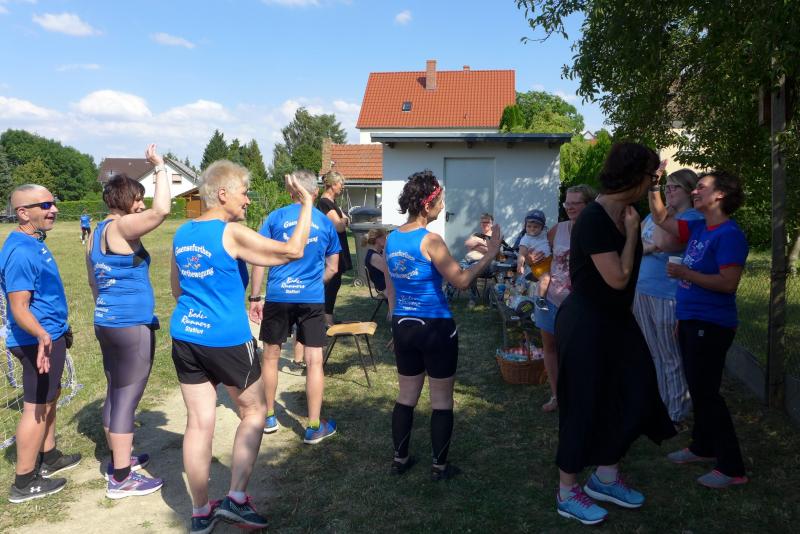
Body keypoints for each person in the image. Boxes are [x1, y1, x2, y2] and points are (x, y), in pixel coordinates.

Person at [170, 161, 313, 532]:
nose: (247, 200)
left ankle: (200, 512)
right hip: (226, 339)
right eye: (244, 192)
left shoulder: (182, 233)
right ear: (223, 194)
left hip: (186, 335)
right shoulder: (230, 232)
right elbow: (294, 250)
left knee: (198, 423)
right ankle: (235, 498)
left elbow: (176, 288)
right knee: (254, 411)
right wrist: (308, 203)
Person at [554, 144, 675, 525]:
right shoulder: (594, 218)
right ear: (635, 177)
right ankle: (566, 491)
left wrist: (644, 213)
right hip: (586, 322)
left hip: (616, 321)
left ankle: (605, 477)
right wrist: (633, 233)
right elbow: (618, 278)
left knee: (634, 394)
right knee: (583, 402)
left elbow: (666, 235)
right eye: (651, 178)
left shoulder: (626, 211)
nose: (652, 184)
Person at [385, 170, 502, 481]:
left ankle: (400, 459)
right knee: (441, 400)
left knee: (406, 396)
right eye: (440, 201)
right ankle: (439, 467)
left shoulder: (391, 239)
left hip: (404, 324)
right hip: (435, 326)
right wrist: (489, 255)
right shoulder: (431, 240)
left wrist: (395, 327)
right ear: (427, 205)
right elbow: (461, 281)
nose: (443, 206)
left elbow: (391, 288)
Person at [649, 170, 749, 489]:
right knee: (699, 387)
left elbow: (728, 283)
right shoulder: (699, 226)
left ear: (720, 195)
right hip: (691, 319)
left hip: (712, 323)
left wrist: (686, 274)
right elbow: (662, 219)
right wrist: (653, 185)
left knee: (707, 393)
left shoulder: (729, 234)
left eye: (701, 187)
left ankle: (732, 467)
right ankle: (702, 447)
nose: (695, 191)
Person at [85, 144, 170, 499]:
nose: (142, 204)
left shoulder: (95, 233)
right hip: (131, 325)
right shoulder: (121, 227)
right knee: (126, 397)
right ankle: (121, 478)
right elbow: (162, 210)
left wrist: (110, 311)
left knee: (115, 390)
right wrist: (160, 167)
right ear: (125, 200)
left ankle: (119, 458)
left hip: (107, 321)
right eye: (138, 198)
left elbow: (93, 282)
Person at [1, 184, 81, 503]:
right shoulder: (20, 251)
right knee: (36, 406)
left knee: (50, 396)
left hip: (50, 335)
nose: (54, 209)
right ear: (23, 213)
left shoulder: (33, 242)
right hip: (36, 341)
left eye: (53, 203)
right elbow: (19, 306)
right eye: (45, 205)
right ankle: (24, 482)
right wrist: (42, 335)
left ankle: (49, 456)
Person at [249, 169, 340, 444]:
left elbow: (259, 258)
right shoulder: (325, 222)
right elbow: (333, 267)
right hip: (311, 298)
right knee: (314, 361)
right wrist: (312, 283)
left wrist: (255, 297)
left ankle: (268, 417)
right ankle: (313, 426)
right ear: (314, 192)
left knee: (270, 357)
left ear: (291, 191)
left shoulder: (275, 217)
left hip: (279, 295)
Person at [633, 169, 702, 428]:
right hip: (643, 289)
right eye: (667, 187)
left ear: (689, 191)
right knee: (653, 352)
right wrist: (651, 246)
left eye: (675, 187)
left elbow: (667, 243)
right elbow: (636, 243)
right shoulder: (655, 215)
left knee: (670, 354)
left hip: (668, 293)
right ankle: (662, 404)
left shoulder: (692, 217)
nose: (669, 191)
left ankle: (677, 412)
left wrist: (652, 244)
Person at [531, 185, 595, 413]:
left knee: (580, 350)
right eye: (567, 202)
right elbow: (542, 259)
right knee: (550, 347)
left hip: (581, 303)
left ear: (589, 205)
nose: (570, 207)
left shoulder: (596, 229)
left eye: (576, 203)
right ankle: (557, 395)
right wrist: (533, 259)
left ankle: (581, 396)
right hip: (551, 298)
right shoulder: (558, 229)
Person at [317, 170, 353, 327]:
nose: (342, 186)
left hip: (337, 247)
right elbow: (340, 226)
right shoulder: (325, 203)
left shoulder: (332, 203)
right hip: (331, 250)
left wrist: (344, 220)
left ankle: (327, 317)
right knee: (331, 284)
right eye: (340, 183)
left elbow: (346, 220)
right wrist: (343, 220)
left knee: (335, 282)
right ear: (332, 184)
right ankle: (326, 319)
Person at [445, 213, 494, 307]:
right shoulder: (476, 234)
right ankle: (447, 299)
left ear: (492, 223)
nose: (485, 224)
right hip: (466, 260)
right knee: (453, 272)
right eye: (483, 222)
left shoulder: (494, 237)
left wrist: (477, 243)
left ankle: (472, 300)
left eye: (487, 222)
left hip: (482, 262)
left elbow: (491, 250)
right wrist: (483, 243)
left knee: (470, 273)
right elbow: (467, 244)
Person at [515, 209, 552, 309]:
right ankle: (540, 299)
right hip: (539, 265)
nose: (532, 229)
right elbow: (521, 254)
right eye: (529, 226)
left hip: (549, 260)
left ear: (542, 227)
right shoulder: (525, 239)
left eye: (535, 227)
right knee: (546, 278)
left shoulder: (544, 233)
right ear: (525, 226)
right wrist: (520, 265)